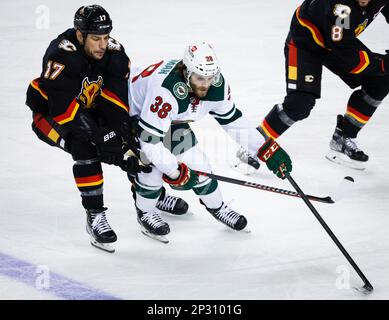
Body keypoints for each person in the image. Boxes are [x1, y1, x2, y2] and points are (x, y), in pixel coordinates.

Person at [25, 5, 186, 252]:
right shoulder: (61, 54)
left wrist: (122, 138)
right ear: (80, 35)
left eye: (106, 37)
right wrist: (100, 139)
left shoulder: (114, 52)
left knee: (134, 141)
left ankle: (150, 197)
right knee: (84, 147)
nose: (103, 44)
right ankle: (94, 215)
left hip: (90, 109)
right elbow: (63, 109)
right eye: (96, 38)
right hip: (51, 115)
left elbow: (115, 99)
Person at [127, 42, 293, 242]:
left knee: (199, 165)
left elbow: (232, 120)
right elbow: (150, 142)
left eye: (210, 77)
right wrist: (175, 171)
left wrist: (264, 148)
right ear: (187, 72)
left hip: (169, 120)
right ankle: (145, 211)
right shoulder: (167, 89)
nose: (205, 84)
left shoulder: (216, 85)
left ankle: (218, 207)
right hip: (133, 117)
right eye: (199, 78)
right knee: (152, 168)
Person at [238, 0, 389, 171]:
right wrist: (382, 64)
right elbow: (346, 52)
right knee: (300, 103)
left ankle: (343, 137)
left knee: (382, 80)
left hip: (335, 42)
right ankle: (254, 144)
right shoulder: (342, 6)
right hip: (305, 41)